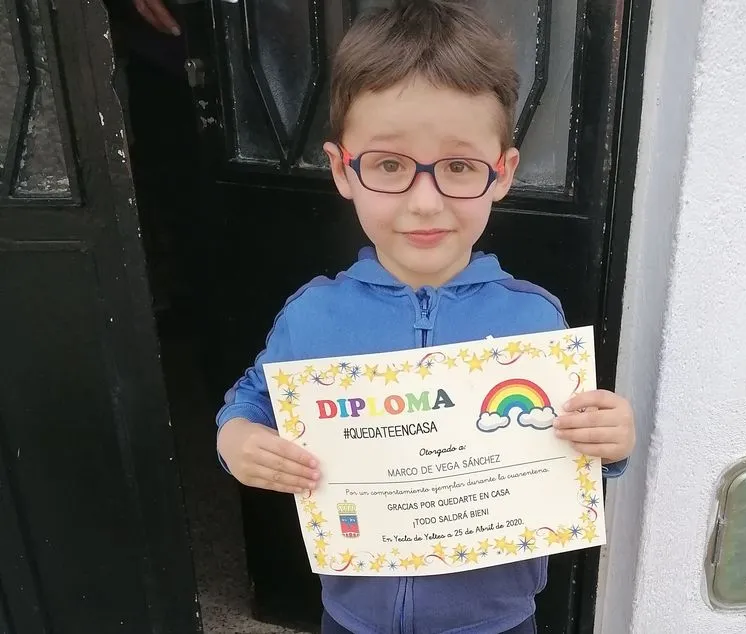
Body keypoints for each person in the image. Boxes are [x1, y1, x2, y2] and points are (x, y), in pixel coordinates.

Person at [214, 2, 635, 632]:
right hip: (354, 618)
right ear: (342, 169)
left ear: (502, 174)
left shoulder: (533, 320)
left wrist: (611, 441)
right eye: (389, 165)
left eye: (459, 167)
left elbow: (573, 448)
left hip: (496, 623)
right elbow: (251, 399)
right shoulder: (313, 315)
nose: (425, 201)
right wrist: (238, 440)